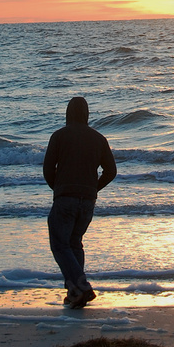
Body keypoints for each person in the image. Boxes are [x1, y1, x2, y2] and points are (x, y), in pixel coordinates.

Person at [42, 96, 117, 307]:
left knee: (60, 244)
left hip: (65, 197)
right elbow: (111, 171)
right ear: (87, 114)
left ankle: (82, 286)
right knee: (74, 243)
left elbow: (48, 169)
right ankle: (74, 293)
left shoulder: (59, 136)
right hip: (88, 200)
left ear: (68, 113)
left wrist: (58, 188)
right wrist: (93, 188)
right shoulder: (98, 138)